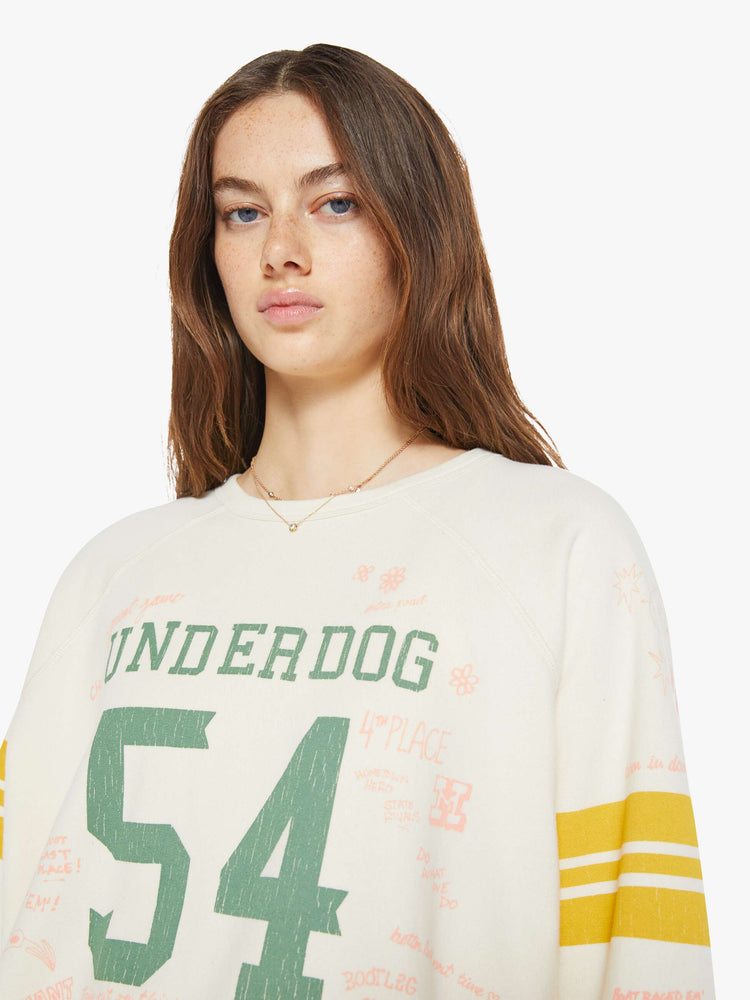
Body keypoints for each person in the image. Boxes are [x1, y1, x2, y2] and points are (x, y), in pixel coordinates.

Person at [0, 42, 714, 1000]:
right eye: (242, 211)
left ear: (416, 228)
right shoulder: (114, 574)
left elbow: (638, 930)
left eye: (334, 203)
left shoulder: (558, 548)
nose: (280, 250)